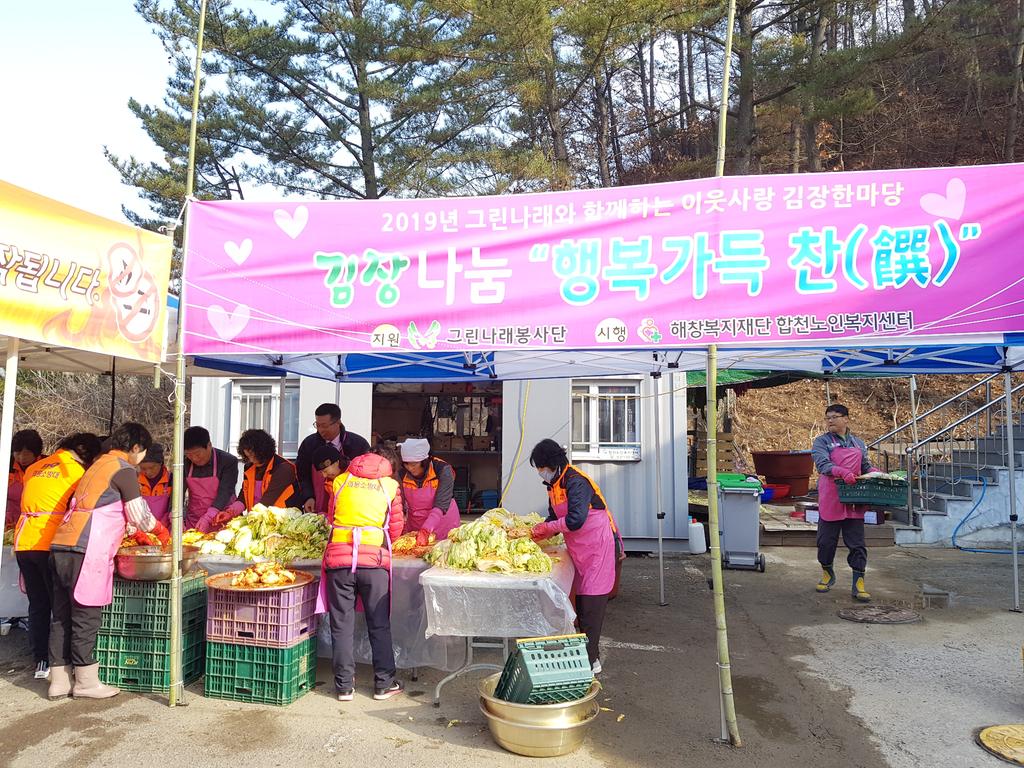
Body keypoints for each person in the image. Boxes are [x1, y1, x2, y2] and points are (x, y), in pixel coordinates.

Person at [47, 422, 170, 700]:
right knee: (85, 616)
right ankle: (86, 682)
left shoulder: (97, 465)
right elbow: (139, 514)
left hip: (61, 546)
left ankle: (59, 681)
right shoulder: (122, 469)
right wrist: (160, 530)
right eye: (143, 452)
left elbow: (105, 507)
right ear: (136, 448)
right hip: (86, 549)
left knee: (61, 616)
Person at [13, 433, 102, 681]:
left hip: (24, 542)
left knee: (37, 603)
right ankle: (60, 663)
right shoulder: (77, 472)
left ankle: (40, 660)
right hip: (51, 542)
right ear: (86, 454)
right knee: (59, 606)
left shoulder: (36, 467)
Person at [529, 439, 623, 675]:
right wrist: (535, 533)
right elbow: (554, 517)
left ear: (550, 464)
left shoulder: (576, 481)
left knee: (591, 605)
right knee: (580, 602)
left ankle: (591, 661)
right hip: (580, 548)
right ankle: (585, 654)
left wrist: (547, 528)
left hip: (598, 546)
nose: (540, 472)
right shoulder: (553, 485)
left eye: (540, 467)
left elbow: (575, 520)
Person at [319, 447, 405, 702]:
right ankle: (384, 684)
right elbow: (396, 527)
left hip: (339, 561)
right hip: (374, 562)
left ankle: (344, 686)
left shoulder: (340, 481)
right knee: (378, 624)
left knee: (341, 624)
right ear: (385, 465)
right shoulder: (390, 486)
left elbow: (332, 517)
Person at [811, 403, 877, 603]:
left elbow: (865, 465)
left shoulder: (858, 443)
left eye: (834, 417)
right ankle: (827, 572)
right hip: (831, 497)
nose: (830, 421)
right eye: (827, 417)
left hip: (854, 499)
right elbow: (822, 464)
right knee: (825, 542)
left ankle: (859, 582)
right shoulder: (822, 442)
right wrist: (841, 471)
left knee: (857, 543)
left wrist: (875, 473)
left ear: (846, 419)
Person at [296, 404, 370, 516]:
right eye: (317, 425)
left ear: (338, 422)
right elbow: (302, 475)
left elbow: (366, 478)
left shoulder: (358, 444)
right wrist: (308, 496)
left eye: (324, 426)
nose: (320, 430)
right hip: (318, 506)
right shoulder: (309, 444)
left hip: (350, 508)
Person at [396, 438, 461, 544]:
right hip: (415, 526)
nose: (410, 468)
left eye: (414, 465)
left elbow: (441, 504)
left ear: (425, 461)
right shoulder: (402, 474)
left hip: (443, 523)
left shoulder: (442, 470)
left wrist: (426, 530)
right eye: (406, 464)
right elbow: (399, 504)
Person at [182, 426, 240, 532]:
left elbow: (225, 492)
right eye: (189, 455)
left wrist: (208, 517)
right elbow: (178, 492)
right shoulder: (183, 463)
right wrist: (176, 517)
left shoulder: (228, 461)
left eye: (197, 454)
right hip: (195, 521)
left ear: (209, 445)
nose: (194, 458)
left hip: (223, 520)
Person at [237, 429, 301, 510]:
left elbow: (267, 501)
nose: (252, 460)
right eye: (248, 456)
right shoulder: (249, 467)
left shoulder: (284, 468)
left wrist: (252, 515)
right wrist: (231, 511)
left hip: (281, 516)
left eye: (254, 456)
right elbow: (243, 496)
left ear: (262, 451)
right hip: (257, 515)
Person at [6, 429, 44, 530]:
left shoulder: (48, 467)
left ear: (36, 453)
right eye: (18, 453)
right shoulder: (5, 465)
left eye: (26, 454)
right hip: (9, 524)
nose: (22, 458)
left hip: (37, 524)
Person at [138, 443, 172, 526]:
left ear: (161, 463)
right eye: (143, 468)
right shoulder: (136, 481)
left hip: (166, 527)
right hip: (142, 527)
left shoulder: (171, 480)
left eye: (152, 467)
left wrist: (166, 520)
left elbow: (173, 507)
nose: (148, 472)